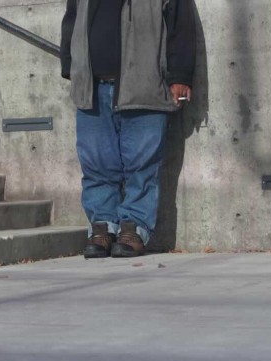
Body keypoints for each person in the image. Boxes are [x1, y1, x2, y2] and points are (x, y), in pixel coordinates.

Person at [60, 0, 197, 258]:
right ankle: (102, 227)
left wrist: (180, 76)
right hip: (92, 88)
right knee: (95, 164)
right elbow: (72, 17)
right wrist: (70, 64)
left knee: (142, 166)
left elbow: (181, 23)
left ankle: (134, 228)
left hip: (145, 86)